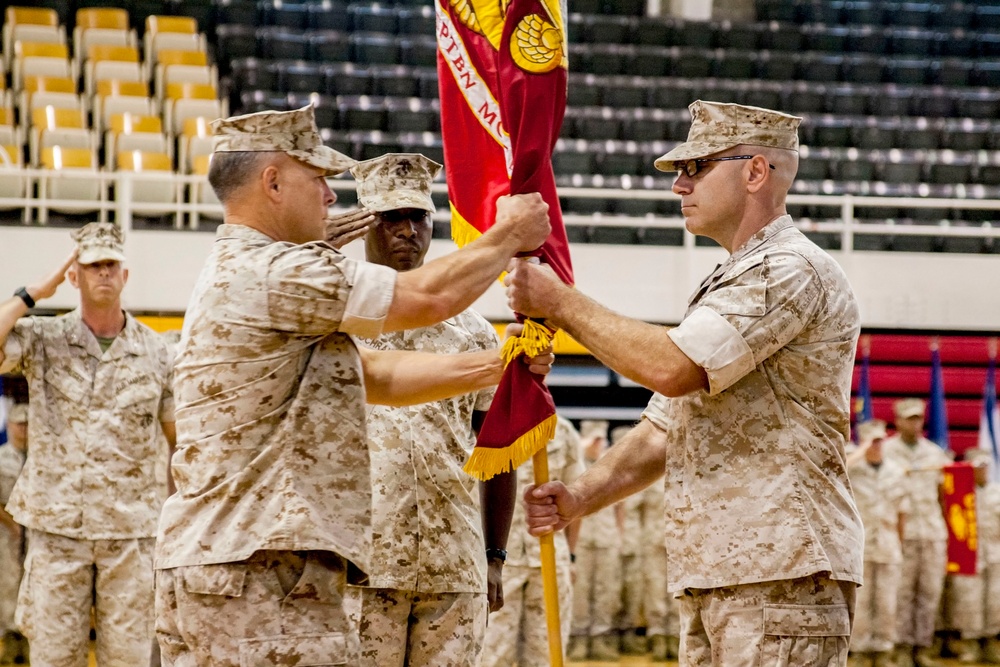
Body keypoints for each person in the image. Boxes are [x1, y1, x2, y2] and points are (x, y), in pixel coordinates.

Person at [152, 105, 552, 665]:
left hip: (252, 565)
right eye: (317, 178)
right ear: (272, 182)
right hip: (257, 571)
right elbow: (426, 300)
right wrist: (508, 235)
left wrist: (497, 367)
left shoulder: (263, 271)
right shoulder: (275, 270)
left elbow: (377, 377)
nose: (331, 196)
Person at [509, 100, 864, 666]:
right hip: (727, 572)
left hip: (780, 574)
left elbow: (672, 369)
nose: (679, 185)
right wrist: (580, 496)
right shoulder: (735, 277)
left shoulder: (787, 269)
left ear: (754, 172)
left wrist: (559, 302)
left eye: (697, 167)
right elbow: (664, 428)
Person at [348, 152, 515, 666]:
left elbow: (498, 449)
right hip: (359, 567)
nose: (406, 231)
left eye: (417, 217)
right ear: (364, 224)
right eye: (390, 218)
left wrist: (494, 555)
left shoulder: (472, 332)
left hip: (453, 567)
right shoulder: (337, 320)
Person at [0, 222, 176, 667]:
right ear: (73, 275)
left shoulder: (157, 352)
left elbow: (178, 441)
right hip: (58, 531)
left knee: (129, 660)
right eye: (92, 264)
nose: (103, 273)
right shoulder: (44, 341)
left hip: (131, 535)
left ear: (125, 275)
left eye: (111, 264)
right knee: (55, 658)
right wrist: (32, 293)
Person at [481, 415, 584, 667]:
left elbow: (575, 498)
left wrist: (571, 556)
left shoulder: (563, 430)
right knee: (491, 654)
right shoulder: (487, 421)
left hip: (551, 555)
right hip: (498, 560)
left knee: (547, 654)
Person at [883, 398, 951, 667]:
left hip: (932, 533)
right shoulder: (886, 452)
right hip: (900, 534)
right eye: (909, 418)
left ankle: (922, 646)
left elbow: (944, 495)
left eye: (918, 418)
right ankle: (900, 646)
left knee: (929, 593)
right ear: (897, 420)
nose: (915, 423)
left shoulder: (935, 453)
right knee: (901, 593)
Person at [845, 419, 909, 667]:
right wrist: (861, 451)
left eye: (881, 440)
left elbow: (903, 512)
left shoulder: (895, 471)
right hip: (860, 548)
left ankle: (883, 651)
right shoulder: (854, 469)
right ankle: (860, 651)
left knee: (887, 603)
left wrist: (900, 545)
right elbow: (839, 468)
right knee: (861, 604)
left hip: (888, 546)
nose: (877, 445)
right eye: (873, 441)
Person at [565, 420, 622, 662]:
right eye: (594, 440)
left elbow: (621, 507)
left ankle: (600, 639)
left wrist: (620, 536)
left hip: (607, 539)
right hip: (584, 541)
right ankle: (578, 639)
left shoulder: (610, 466)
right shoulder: (575, 467)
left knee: (605, 591)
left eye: (602, 440)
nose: (598, 445)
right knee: (580, 591)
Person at [941, 448, 1000, 664]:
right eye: (977, 466)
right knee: (969, 601)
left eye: (985, 466)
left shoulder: (997, 492)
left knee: (995, 602)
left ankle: (992, 643)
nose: (982, 470)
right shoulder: (960, 494)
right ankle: (971, 644)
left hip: (995, 555)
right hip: (969, 556)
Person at [0, 403, 28, 664]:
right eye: (19, 424)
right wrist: (11, 523)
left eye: (27, 425)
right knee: (8, 586)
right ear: (9, 426)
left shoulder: (38, 460)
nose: (23, 430)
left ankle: (28, 641)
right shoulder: (1, 458)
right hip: (7, 536)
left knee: (29, 585)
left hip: (34, 536)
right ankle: (10, 643)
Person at [615, 425, 646, 655]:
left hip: (637, 543)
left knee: (634, 590)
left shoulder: (645, 475)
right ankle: (606, 638)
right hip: (610, 543)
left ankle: (629, 636)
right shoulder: (604, 476)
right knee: (611, 592)